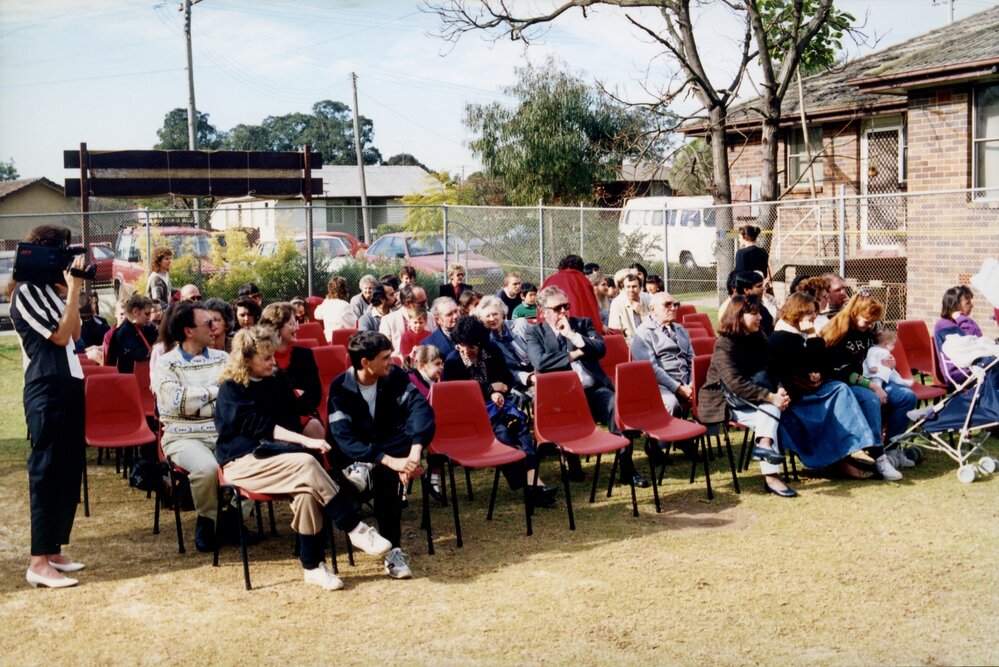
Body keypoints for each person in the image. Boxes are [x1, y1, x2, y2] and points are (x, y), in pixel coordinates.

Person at [214, 326, 393, 591]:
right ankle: (354, 527)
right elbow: (258, 427)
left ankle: (312, 567)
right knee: (309, 462)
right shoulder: (231, 389)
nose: (273, 362)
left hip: (281, 458)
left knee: (308, 493)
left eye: (273, 355)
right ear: (246, 360)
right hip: (242, 461)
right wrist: (307, 441)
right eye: (266, 358)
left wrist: (298, 442)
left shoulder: (278, 379)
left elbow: (289, 421)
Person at [11, 225, 88, 588]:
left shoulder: (52, 292)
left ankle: (53, 549)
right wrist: (71, 289)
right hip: (45, 387)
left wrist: (71, 293)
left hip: (69, 381)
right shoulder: (25, 293)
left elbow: (74, 334)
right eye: (60, 250)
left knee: (68, 467)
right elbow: (58, 336)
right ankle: (37, 561)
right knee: (46, 470)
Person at [327, 331, 436, 580]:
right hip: (350, 457)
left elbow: (421, 409)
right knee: (381, 466)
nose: (392, 360)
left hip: (389, 448)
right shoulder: (340, 388)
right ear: (365, 362)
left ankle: (393, 551)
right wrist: (387, 460)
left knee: (389, 471)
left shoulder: (394, 375)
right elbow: (344, 438)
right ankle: (368, 472)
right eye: (386, 357)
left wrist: (415, 453)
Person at [524, 285, 649, 488]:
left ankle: (627, 469)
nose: (563, 311)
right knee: (565, 416)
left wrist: (573, 336)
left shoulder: (582, 324)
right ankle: (573, 463)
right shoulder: (535, 333)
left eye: (566, 306)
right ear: (543, 312)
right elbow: (540, 362)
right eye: (557, 308)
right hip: (561, 397)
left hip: (592, 391)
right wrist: (574, 353)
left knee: (616, 407)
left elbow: (600, 349)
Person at [155, 301, 250, 551]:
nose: (215, 327)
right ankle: (207, 522)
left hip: (223, 431)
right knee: (207, 469)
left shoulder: (222, 359)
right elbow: (176, 402)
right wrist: (214, 391)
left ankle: (232, 518)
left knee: (254, 459)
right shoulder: (166, 363)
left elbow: (235, 395)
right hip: (182, 436)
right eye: (208, 323)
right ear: (189, 331)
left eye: (215, 321)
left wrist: (201, 399)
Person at [767, 292, 884, 481]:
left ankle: (855, 452)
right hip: (796, 400)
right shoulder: (781, 339)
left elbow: (820, 363)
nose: (815, 316)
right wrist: (810, 378)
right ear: (797, 314)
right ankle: (848, 456)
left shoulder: (800, 335)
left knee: (844, 391)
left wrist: (816, 373)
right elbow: (781, 377)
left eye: (814, 311)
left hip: (809, 390)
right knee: (839, 390)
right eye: (810, 313)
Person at [443, 315, 558, 506]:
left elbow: (507, 379)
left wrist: (499, 391)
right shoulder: (453, 362)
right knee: (503, 435)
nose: (468, 350)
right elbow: (454, 397)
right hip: (472, 417)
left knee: (521, 431)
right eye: (463, 345)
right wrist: (489, 390)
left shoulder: (491, 350)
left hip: (500, 408)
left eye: (472, 346)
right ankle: (531, 485)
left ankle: (532, 481)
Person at [697, 295, 796, 496]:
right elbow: (734, 383)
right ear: (738, 316)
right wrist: (770, 397)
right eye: (754, 313)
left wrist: (779, 390)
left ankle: (764, 445)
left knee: (769, 415)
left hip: (752, 400)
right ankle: (771, 473)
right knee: (771, 411)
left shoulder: (759, 337)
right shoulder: (724, 344)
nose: (760, 317)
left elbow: (771, 368)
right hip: (726, 402)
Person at [821, 292, 915, 479]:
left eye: (873, 322)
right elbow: (842, 371)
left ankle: (892, 448)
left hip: (869, 378)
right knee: (871, 399)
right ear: (854, 314)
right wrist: (873, 387)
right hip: (844, 382)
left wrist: (889, 361)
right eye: (867, 321)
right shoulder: (838, 332)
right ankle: (878, 455)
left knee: (907, 397)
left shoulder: (868, 331)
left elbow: (878, 351)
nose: (870, 325)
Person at [259, 302, 323, 437]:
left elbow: (314, 395)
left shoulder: (305, 356)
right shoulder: (261, 358)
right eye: (292, 324)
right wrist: (294, 394)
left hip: (302, 415)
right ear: (276, 328)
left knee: (314, 427)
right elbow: (265, 400)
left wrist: (287, 400)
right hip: (272, 420)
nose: (298, 328)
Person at [475, 295, 534, 391]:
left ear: (502, 314)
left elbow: (539, 348)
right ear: (482, 320)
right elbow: (506, 371)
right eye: (487, 316)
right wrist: (529, 377)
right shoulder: (488, 343)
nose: (492, 319)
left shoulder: (521, 325)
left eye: (495, 314)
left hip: (538, 368)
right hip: (516, 380)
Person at [934, 285, 987, 384]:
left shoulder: (964, 321)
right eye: (968, 303)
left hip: (971, 365)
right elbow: (969, 344)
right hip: (958, 371)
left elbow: (978, 338)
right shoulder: (943, 325)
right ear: (956, 306)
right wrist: (961, 318)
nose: (972, 305)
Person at [540, 254, 604, 334]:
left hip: (549, 330)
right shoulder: (583, 280)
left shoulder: (549, 279)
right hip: (579, 331)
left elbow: (540, 305)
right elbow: (592, 308)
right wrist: (599, 328)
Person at [108, 294, 157, 373]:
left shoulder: (146, 328)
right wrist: (157, 350)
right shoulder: (124, 331)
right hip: (128, 377)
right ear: (135, 312)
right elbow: (138, 353)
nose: (149, 318)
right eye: (147, 314)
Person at [379, 283, 431, 352]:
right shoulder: (388, 321)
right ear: (407, 303)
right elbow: (383, 350)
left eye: (426, 301)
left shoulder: (430, 317)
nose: (426, 305)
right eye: (421, 303)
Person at [606, 272, 649, 342]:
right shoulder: (617, 303)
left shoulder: (648, 298)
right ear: (623, 288)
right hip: (629, 343)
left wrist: (643, 312)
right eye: (628, 287)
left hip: (650, 340)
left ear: (640, 288)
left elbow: (657, 325)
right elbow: (615, 330)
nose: (631, 290)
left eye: (634, 286)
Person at [313, 275, 357, 343]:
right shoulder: (345, 305)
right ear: (344, 289)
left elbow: (316, 314)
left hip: (327, 340)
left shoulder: (326, 303)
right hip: (342, 341)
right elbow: (354, 326)